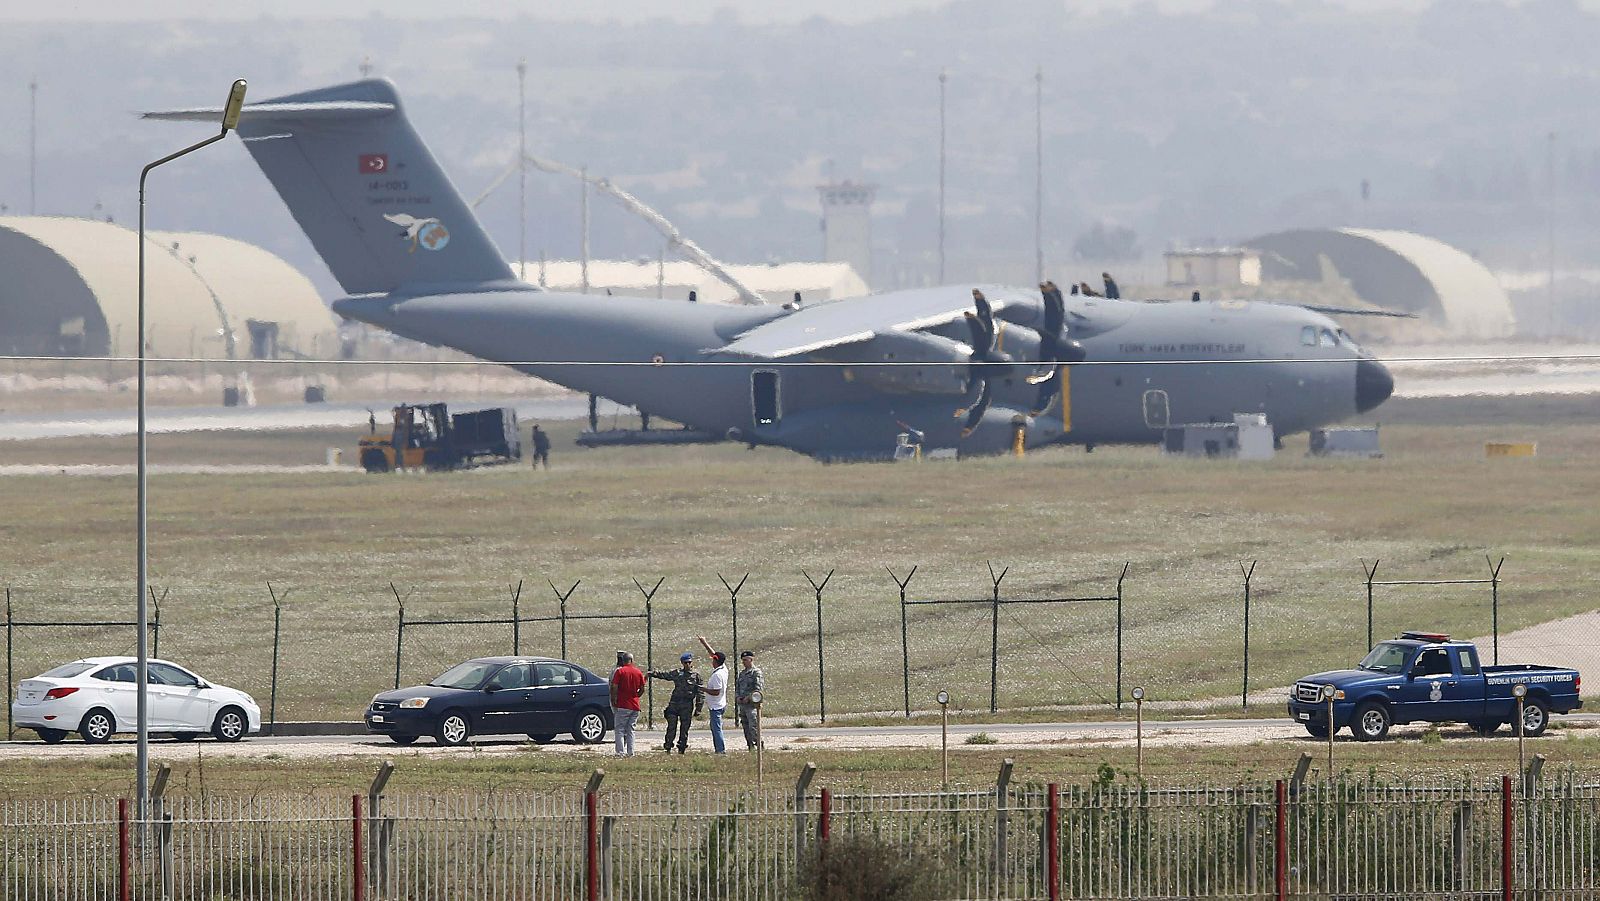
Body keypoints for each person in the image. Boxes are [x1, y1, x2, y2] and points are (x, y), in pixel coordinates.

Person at [648, 652, 703, 753]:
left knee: (684, 728)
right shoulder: (677, 673)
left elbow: (700, 692)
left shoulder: (696, 676)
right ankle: (668, 746)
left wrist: (698, 708)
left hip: (687, 705)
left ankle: (682, 748)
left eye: (689, 662)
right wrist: (652, 673)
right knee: (671, 726)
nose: (687, 664)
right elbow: (665, 675)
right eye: (685, 662)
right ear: (682, 663)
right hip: (675, 704)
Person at [697, 636, 729, 755]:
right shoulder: (723, 668)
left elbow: (716, 691)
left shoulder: (718, 675)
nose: (712, 661)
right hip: (719, 703)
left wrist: (702, 688)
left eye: (713, 659)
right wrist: (704, 642)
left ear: (716, 661)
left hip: (716, 706)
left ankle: (720, 751)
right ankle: (718, 749)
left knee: (716, 729)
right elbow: (713, 653)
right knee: (715, 728)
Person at [609, 650, 645, 757]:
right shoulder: (638, 672)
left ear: (623, 661)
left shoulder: (620, 672)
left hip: (623, 705)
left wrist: (614, 699)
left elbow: (614, 686)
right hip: (635, 705)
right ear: (632, 660)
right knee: (631, 730)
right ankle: (631, 752)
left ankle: (620, 752)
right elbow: (642, 688)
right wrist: (637, 696)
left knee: (619, 729)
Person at [734, 650, 765, 750]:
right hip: (743, 704)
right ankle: (750, 746)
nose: (743, 662)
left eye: (745, 660)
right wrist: (738, 697)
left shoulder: (756, 672)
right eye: (742, 660)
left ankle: (759, 745)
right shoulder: (742, 674)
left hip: (752, 705)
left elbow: (758, 689)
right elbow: (737, 688)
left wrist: (749, 697)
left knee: (753, 726)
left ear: (751, 659)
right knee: (745, 726)